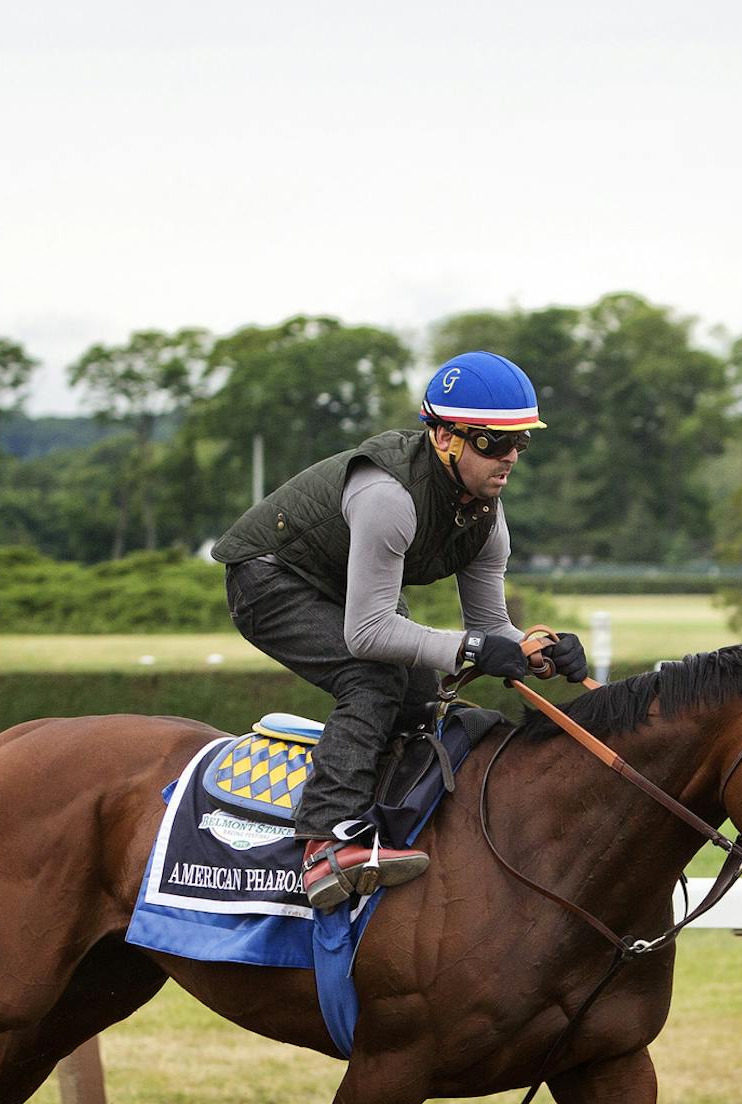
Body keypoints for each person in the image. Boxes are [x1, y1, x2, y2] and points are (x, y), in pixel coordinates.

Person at [215, 350, 590, 911]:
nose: (510, 458)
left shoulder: (487, 514)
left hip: (343, 587)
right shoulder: (388, 496)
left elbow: (489, 626)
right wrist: (470, 648)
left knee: (419, 695)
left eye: (522, 442)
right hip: (269, 579)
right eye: (494, 442)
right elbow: (368, 635)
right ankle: (323, 844)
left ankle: (390, 825)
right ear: (445, 439)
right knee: (374, 681)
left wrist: (541, 652)